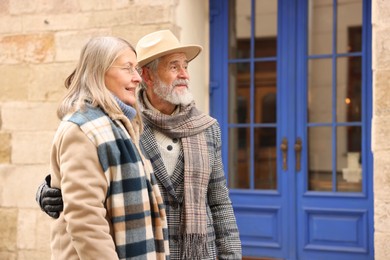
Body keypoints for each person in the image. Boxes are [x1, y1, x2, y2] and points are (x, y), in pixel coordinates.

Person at [37, 30, 242, 259]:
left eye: (186, 66)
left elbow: (219, 201)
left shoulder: (207, 128)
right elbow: (80, 178)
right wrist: (47, 192)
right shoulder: (127, 124)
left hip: (199, 252)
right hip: (143, 251)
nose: (184, 75)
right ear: (148, 76)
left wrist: (231, 254)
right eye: (174, 67)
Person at [43, 36, 169, 260]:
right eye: (127, 68)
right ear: (98, 72)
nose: (137, 78)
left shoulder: (122, 125)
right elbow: (86, 220)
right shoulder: (83, 129)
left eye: (137, 68)